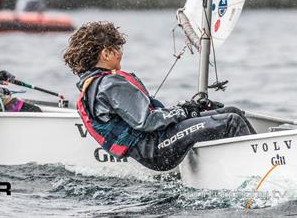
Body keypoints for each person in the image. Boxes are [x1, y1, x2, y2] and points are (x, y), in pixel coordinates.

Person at [63, 21, 254, 171]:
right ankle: (257, 171)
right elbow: (147, 121)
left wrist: (191, 109)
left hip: (157, 141)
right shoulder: (110, 84)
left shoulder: (94, 85)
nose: (121, 53)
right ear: (105, 53)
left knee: (231, 111)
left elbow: (150, 117)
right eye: (118, 48)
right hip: (156, 149)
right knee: (231, 121)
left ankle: (236, 165)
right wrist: (184, 111)